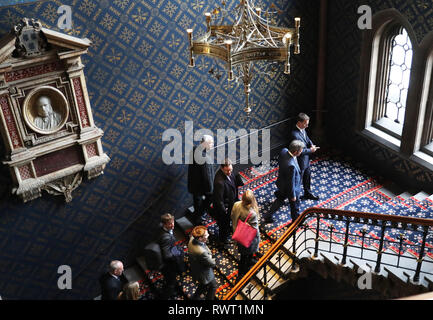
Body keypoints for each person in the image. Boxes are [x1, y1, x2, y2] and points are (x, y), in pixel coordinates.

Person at [263, 140, 305, 224]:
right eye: (301, 151)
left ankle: (268, 216)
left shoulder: (284, 151)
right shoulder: (291, 166)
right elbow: (290, 183)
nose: (302, 152)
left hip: (282, 182)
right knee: (295, 205)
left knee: (280, 199)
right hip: (289, 188)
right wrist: (292, 196)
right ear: (296, 152)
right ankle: (295, 221)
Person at [213, 158, 244, 246]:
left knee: (230, 220)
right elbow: (219, 199)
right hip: (225, 207)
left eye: (230, 170)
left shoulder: (230, 171)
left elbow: (233, 182)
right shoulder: (219, 182)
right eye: (227, 171)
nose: (229, 172)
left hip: (232, 200)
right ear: (222, 168)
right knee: (224, 224)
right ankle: (223, 239)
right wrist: (224, 211)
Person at [231, 189, 261, 279]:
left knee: (243, 254)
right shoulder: (251, 213)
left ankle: (246, 265)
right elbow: (255, 229)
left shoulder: (236, 204)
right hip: (248, 238)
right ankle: (243, 272)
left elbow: (232, 216)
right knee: (246, 256)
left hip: (238, 233)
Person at [290, 113, 320, 200]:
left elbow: (307, 138)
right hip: (300, 161)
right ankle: (295, 196)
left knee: (307, 177)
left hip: (306, 160)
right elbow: (299, 151)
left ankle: (308, 193)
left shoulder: (302, 129)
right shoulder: (294, 134)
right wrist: (311, 150)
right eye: (305, 123)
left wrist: (311, 144)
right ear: (299, 123)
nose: (307, 126)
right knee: (298, 180)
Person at [156, 213, 185, 299]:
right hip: (169, 266)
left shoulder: (162, 228)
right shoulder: (166, 238)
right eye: (169, 224)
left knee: (170, 280)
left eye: (173, 222)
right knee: (170, 283)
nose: (172, 225)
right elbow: (167, 255)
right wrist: (177, 256)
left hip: (167, 258)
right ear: (164, 224)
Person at [188, 135, 215, 225]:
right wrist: (210, 190)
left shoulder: (194, 149)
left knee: (197, 201)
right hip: (201, 186)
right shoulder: (205, 159)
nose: (213, 145)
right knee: (206, 200)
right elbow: (207, 176)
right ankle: (199, 217)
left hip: (193, 183)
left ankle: (197, 215)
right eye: (211, 143)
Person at [188, 225, 217, 300]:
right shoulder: (201, 252)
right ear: (200, 238)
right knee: (213, 286)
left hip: (196, 268)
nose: (208, 235)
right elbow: (212, 263)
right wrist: (210, 256)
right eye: (206, 235)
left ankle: (195, 297)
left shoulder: (192, 238)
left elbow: (204, 246)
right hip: (204, 273)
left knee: (203, 286)